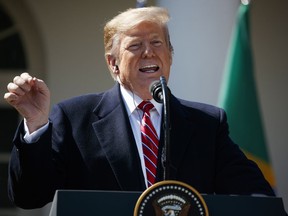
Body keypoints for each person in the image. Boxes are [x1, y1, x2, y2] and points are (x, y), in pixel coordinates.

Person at [4, 6, 275, 209]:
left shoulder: (207, 123)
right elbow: (30, 197)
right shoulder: (75, 118)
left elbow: (257, 198)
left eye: (157, 43)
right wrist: (37, 125)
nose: (149, 52)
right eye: (135, 45)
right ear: (113, 63)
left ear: (170, 55)